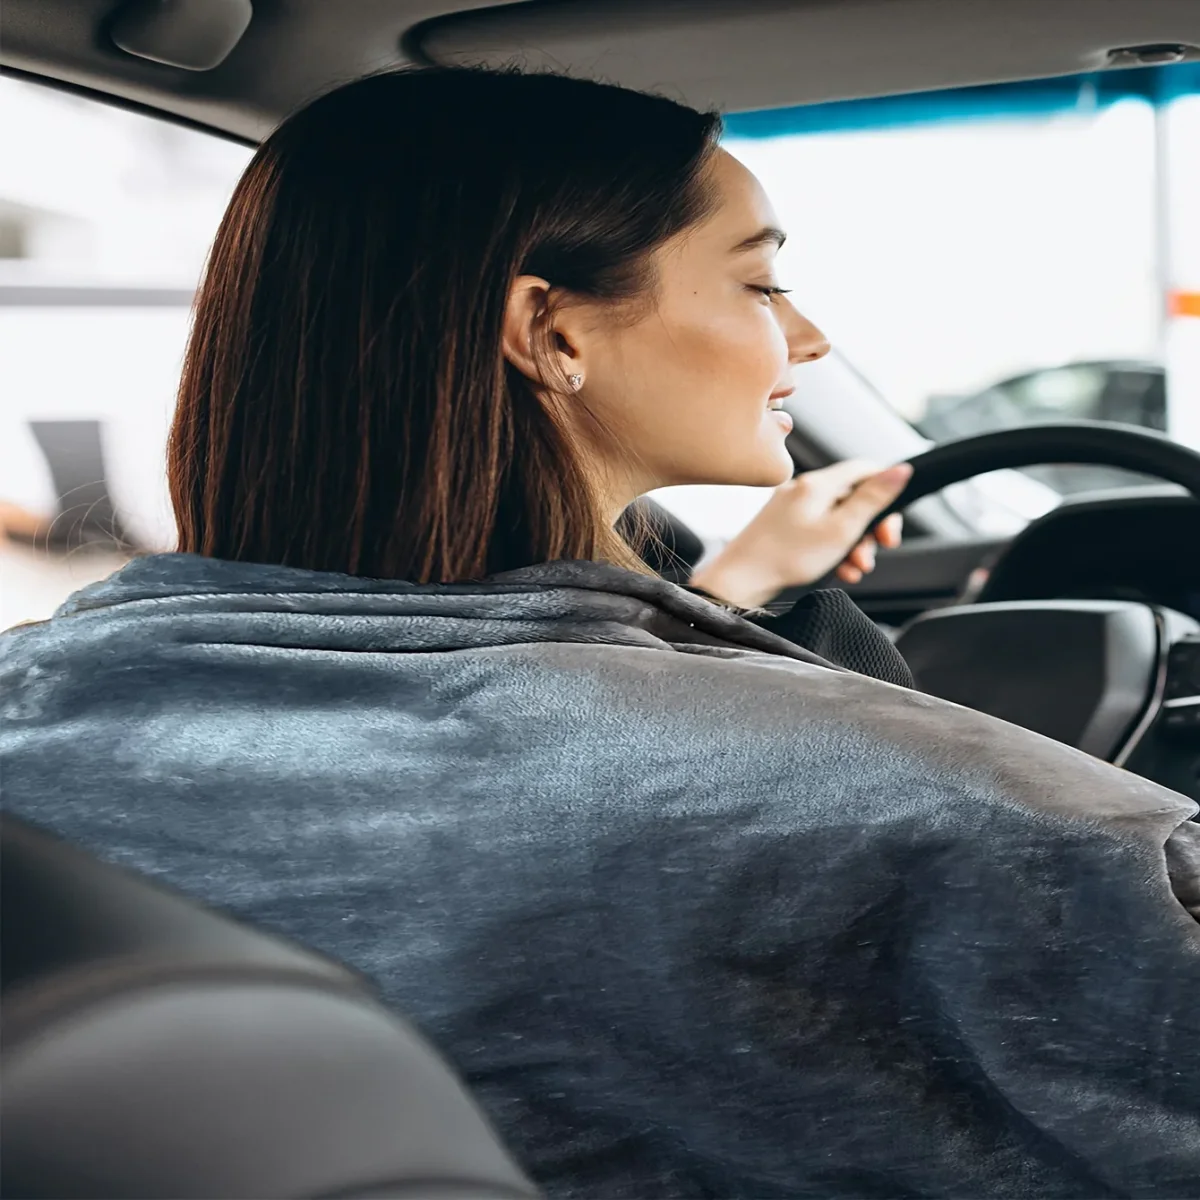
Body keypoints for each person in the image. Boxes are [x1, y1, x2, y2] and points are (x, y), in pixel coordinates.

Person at [1, 67, 1197, 1199]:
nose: (809, 337)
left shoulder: (38, 716)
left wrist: (725, 599)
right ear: (553, 332)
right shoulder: (968, 821)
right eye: (761, 285)